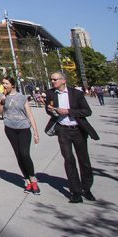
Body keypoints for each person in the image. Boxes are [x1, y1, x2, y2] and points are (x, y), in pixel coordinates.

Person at [46, 71, 99, 203]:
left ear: (63, 80)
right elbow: (49, 110)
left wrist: (68, 111)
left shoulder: (76, 94)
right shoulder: (50, 93)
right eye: (51, 79)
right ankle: (75, 191)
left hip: (78, 129)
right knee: (68, 159)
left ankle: (86, 189)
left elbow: (87, 111)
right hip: (63, 130)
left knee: (84, 160)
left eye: (55, 79)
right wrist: (51, 110)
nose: (52, 81)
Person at [0, 76, 41, 194]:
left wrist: (35, 132)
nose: (4, 85)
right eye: (3, 83)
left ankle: (33, 179)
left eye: (6, 83)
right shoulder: (2, 97)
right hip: (10, 128)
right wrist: (2, 101)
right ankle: (27, 181)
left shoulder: (22, 97)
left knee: (25, 153)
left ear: (12, 85)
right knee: (18, 154)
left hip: (23, 128)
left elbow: (29, 114)